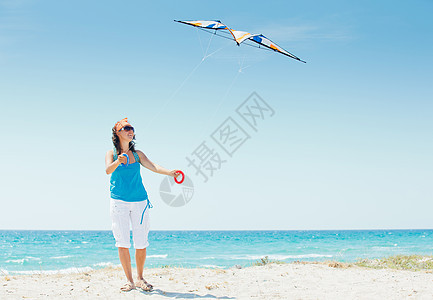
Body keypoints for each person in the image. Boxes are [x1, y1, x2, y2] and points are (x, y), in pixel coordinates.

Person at [105, 117, 180, 292]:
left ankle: (140, 278)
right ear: (118, 132)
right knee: (122, 242)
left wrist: (170, 172)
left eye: (131, 128)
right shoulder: (111, 153)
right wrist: (118, 161)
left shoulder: (138, 154)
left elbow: (153, 166)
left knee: (141, 242)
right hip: (118, 202)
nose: (130, 130)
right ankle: (129, 281)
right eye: (126, 128)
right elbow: (108, 170)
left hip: (139, 201)